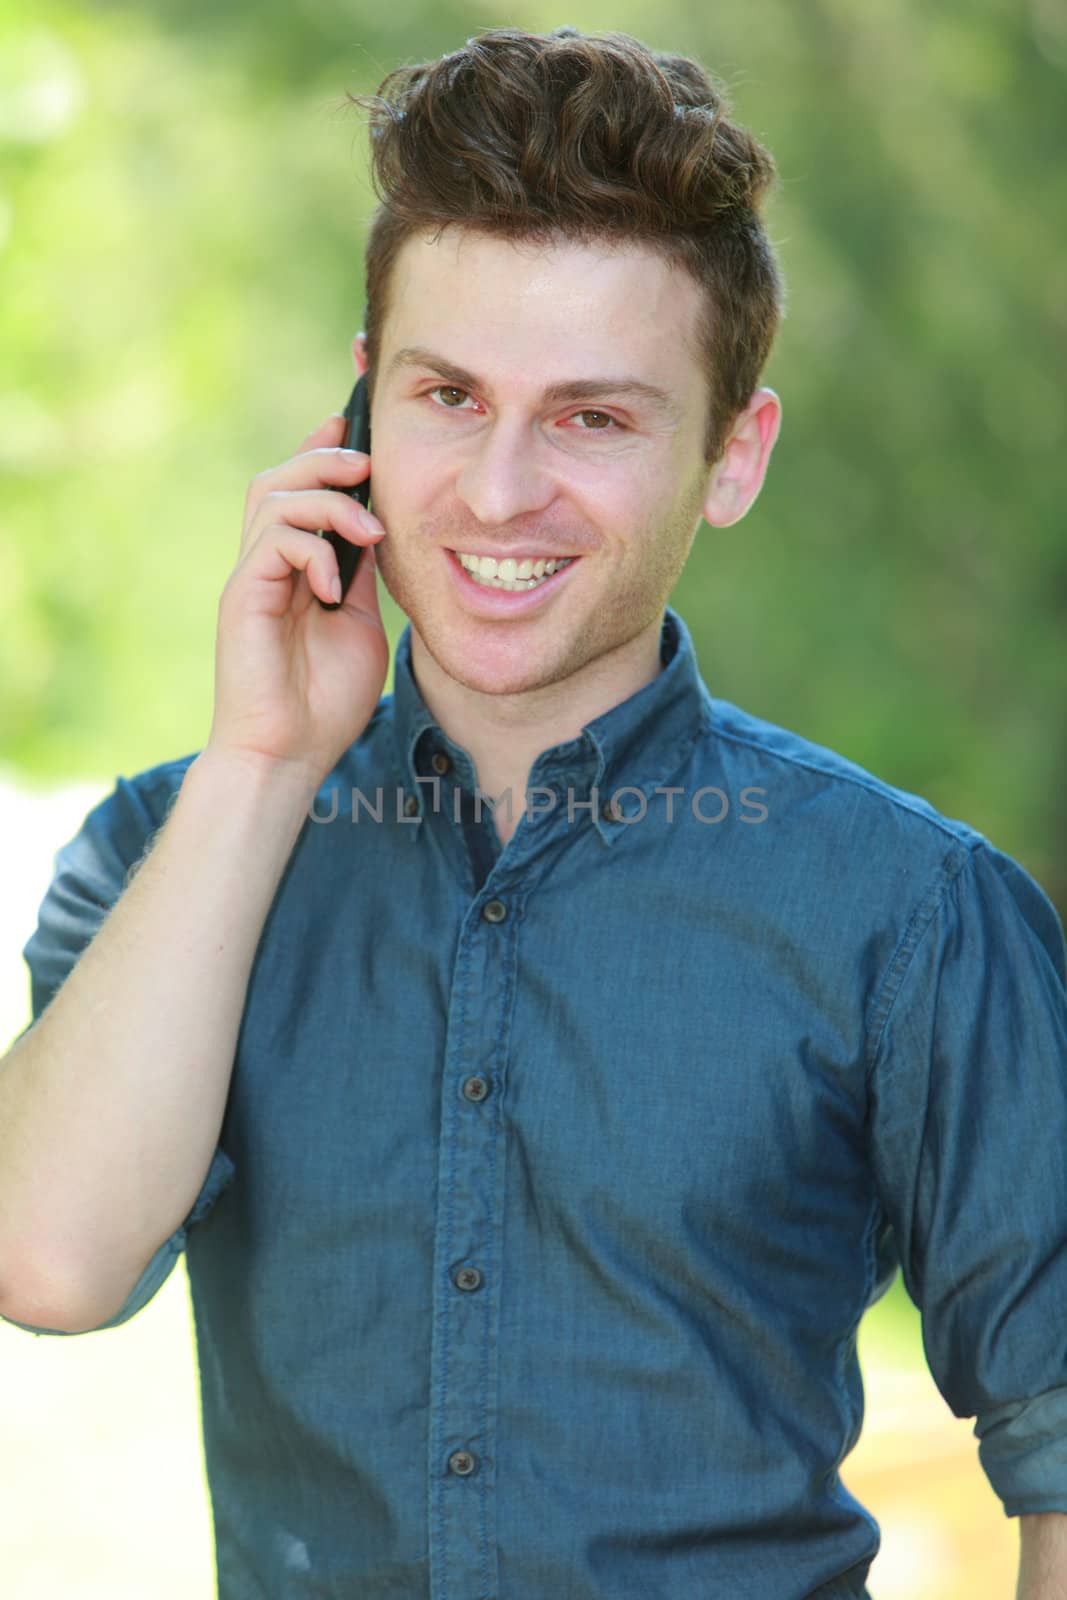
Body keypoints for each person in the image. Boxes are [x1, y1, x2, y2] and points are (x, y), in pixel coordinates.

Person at [1, 24, 1065, 1600]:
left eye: (594, 417)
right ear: (362, 410)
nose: (499, 492)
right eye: (448, 395)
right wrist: (264, 760)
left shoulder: (910, 911)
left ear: (732, 454)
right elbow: (50, 1264)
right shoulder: (175, 851)